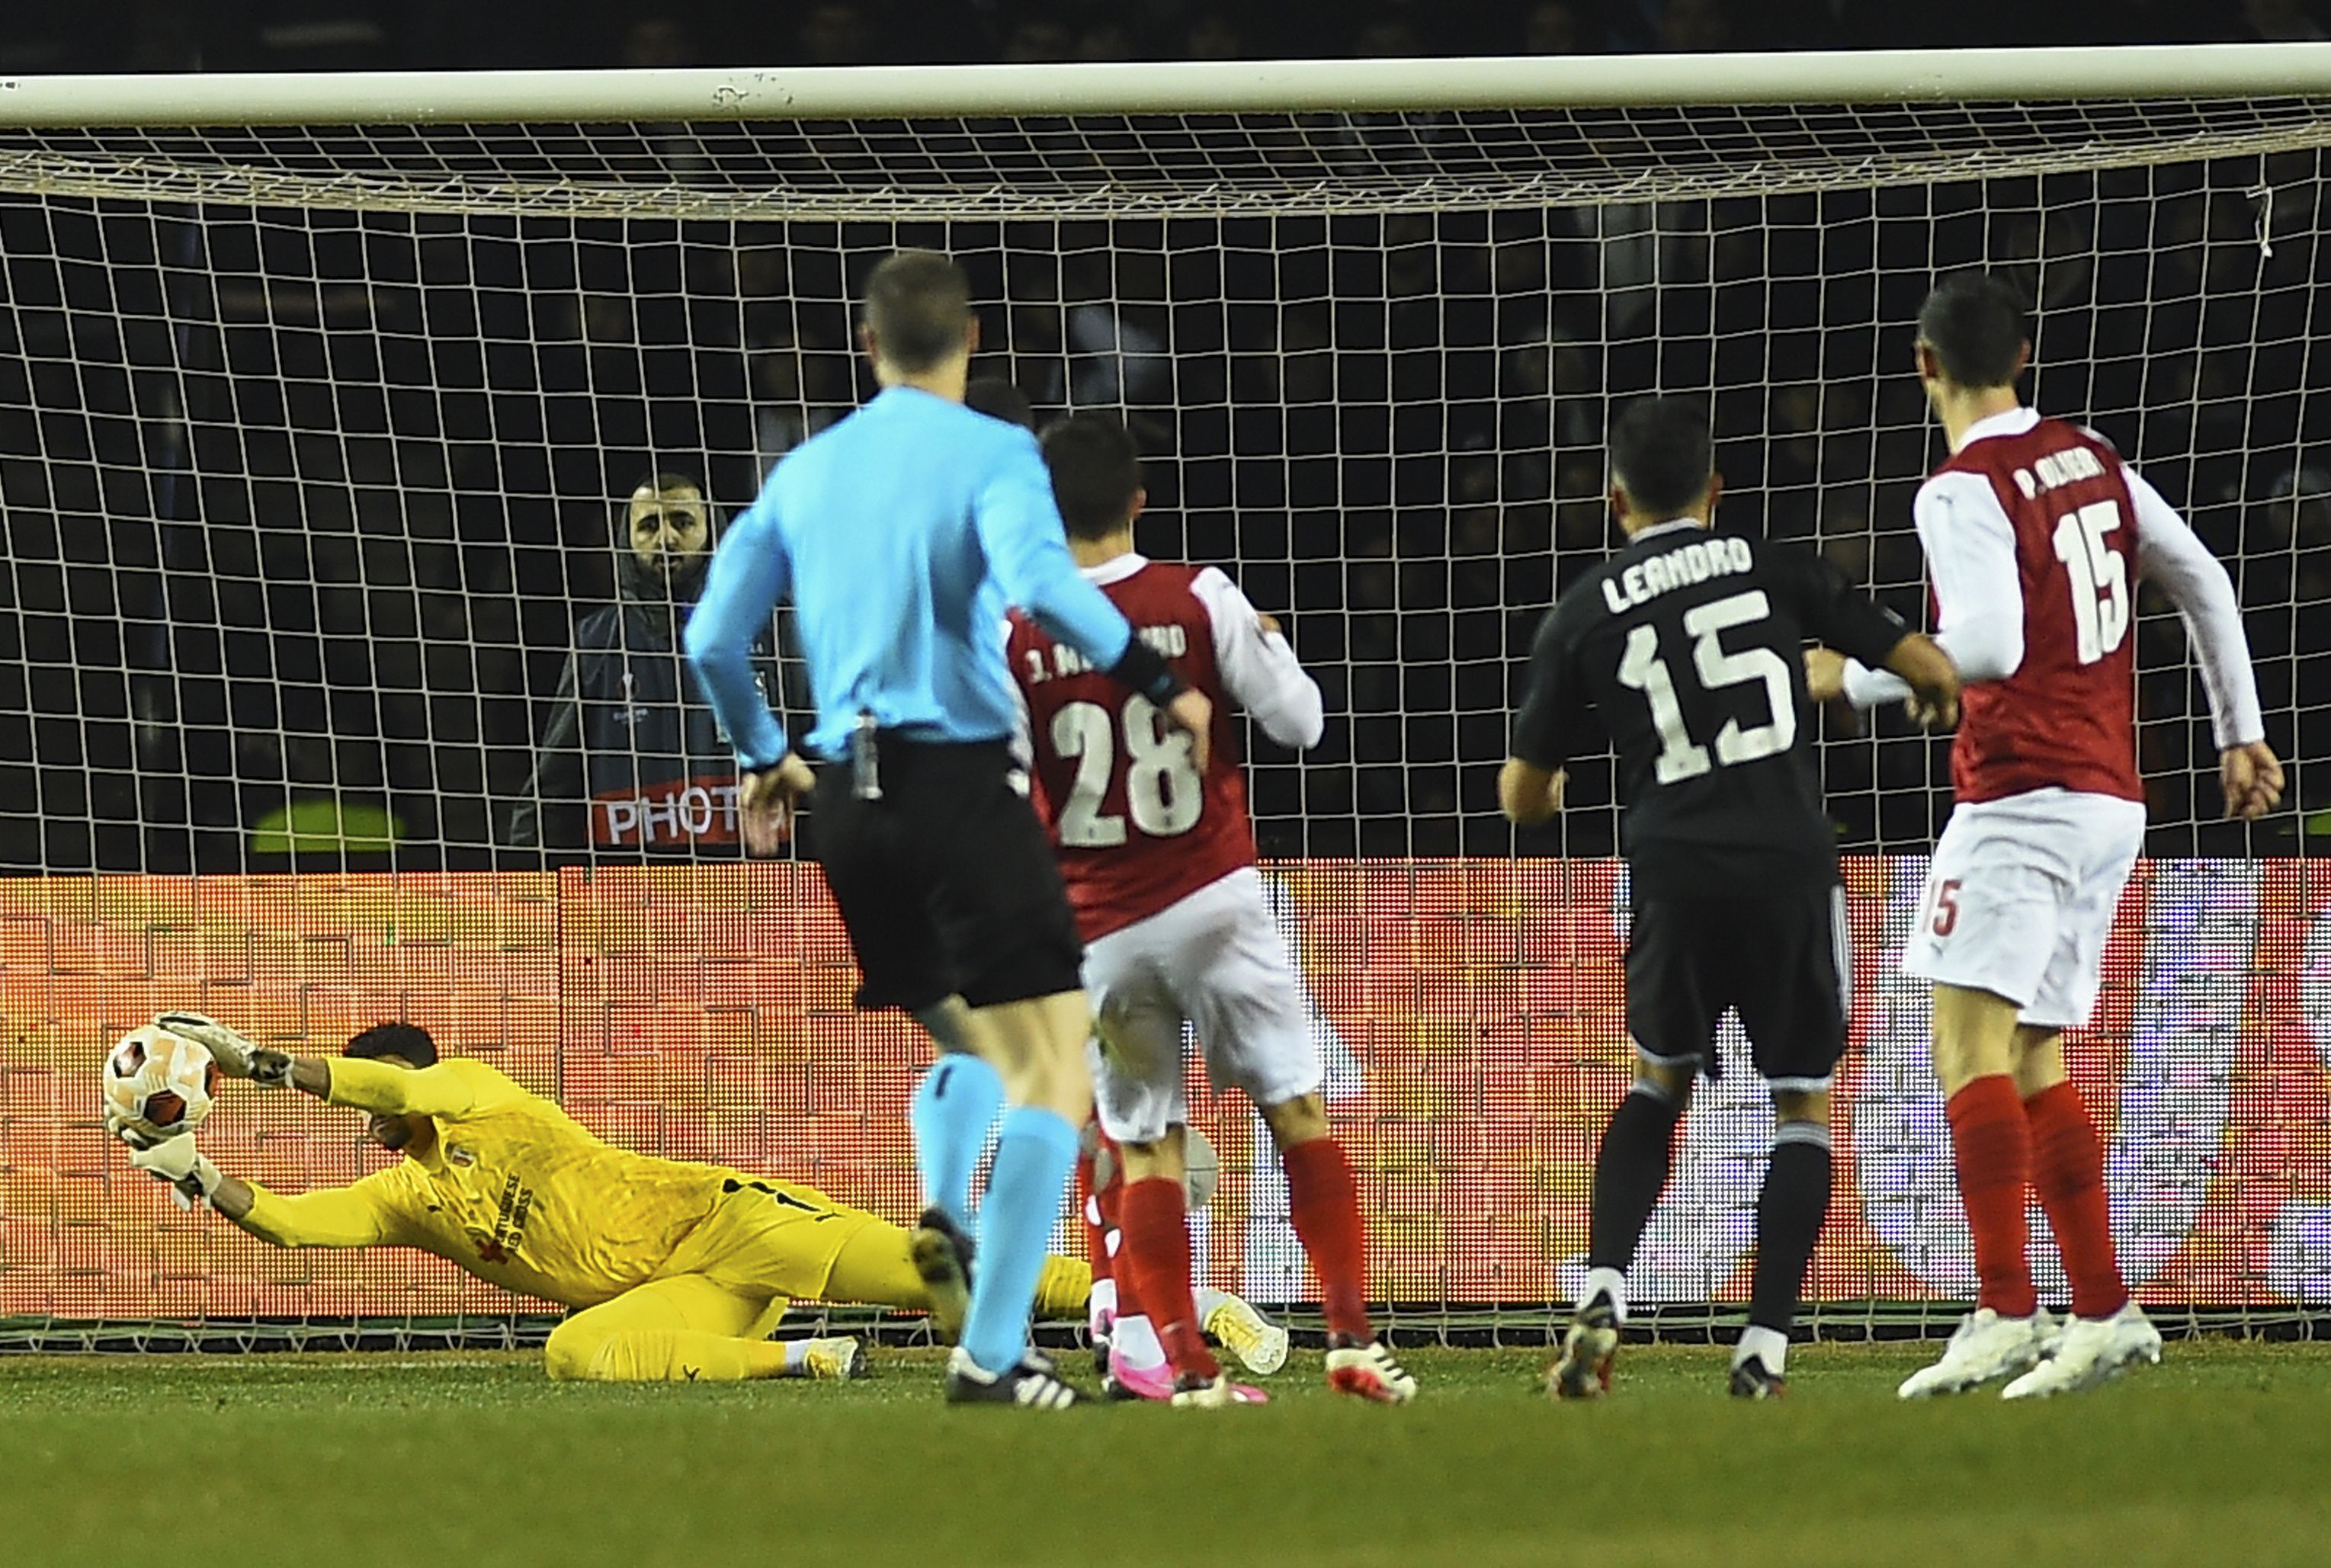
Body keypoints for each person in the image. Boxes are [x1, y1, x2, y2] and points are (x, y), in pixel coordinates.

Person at [682, 250, 1212, 1409]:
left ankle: (943, 1207)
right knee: (1056, 1069)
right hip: (959, 785)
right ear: (968, 338)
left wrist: (765, 753)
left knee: (975, 1044)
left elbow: (711, 639)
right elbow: (1043, 580)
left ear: (866, 347)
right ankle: (989, 1347)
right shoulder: (993, 452)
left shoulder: (806, 469)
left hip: (846, 805)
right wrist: (1146, 672)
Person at [1811, 271, 2281, 1400]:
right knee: (2031, 1053)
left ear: (1922, 365)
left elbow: (1983, 643)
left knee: (1960, 1049)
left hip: (2021, 794)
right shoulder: (2092, 458)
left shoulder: (1959, 487)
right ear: (2020, 356)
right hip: (2111, 799)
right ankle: (2106, 1309)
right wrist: (2240, 733)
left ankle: (2002, 1308)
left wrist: (1858, 672)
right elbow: (2205, 580)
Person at [1504, 395, 1958, 1400]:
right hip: (1789, 864)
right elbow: (1925, 663)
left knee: (1655, 1081)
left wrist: (1554, 788)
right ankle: (1761, 1349)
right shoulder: (1775, 566)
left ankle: (1606, 1288)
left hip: (1671, 867)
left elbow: (1519, 795)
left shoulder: (1582, 609)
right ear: (1715, 491)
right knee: (1801, 1107)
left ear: (1612, 499)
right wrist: (1930, 692)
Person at [1007, 412, 1413, 1406]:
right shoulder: (1198, 596)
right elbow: (1302, 725)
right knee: (1296, 1109)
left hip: (1100, 926)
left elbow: (1005, 792)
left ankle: (1185, 1370)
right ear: (1138, 499)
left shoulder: (1014, 629)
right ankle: (1352, 1337)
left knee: (1146, 1143)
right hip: (1215, 897)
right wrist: (1268, 644)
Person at [104, 1015, 1100, 1384]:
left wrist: (267, 1064)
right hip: (685, 1290)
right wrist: (193, 1169)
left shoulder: (475, 1091)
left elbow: (406, 1089)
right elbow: (290, 1224)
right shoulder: (406, 1196)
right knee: (576, 1352)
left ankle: (1161, 1310)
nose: (363, 1118)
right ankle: (796, 1357)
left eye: (362, 1093)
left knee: (948, 1279)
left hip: (733, 1221)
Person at [510, 472, 781, 856]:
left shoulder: (771, 626)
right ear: (627, 540)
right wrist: (529, 887)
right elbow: (555, 784)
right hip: (635, 896)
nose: (666, 539)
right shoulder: (597, 642)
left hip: (765, 888)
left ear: (713, 532)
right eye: (649, 526)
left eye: (682, 522)